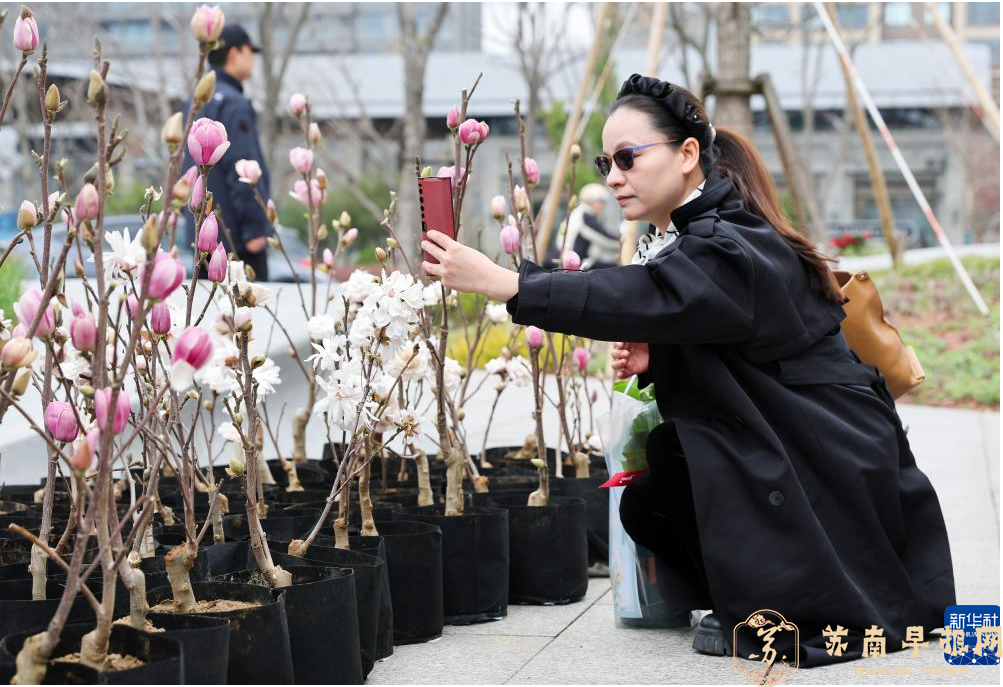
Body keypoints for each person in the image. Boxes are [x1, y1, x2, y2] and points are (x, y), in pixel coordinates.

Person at [420, 74, 956, 668]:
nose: (614, 176)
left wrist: (510, 284)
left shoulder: (730, 243)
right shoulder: (707, 235)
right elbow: (696, 313)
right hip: (812, 439)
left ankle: (785, 607)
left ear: (688, 154)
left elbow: (650, 291)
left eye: (628, 157)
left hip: (828, 456)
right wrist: (663, 353)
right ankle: (742, 593)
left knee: (705, 462)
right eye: (606, 162)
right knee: (655, 491)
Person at [182, 24, 272, 280]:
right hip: (236, 238)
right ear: (235, 53)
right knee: (243, 315)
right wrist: (255, 227)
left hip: (202, 234)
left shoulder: (196, 100)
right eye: (250, 52)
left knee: (206, 315)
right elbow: (243, 168)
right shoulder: (234, 104)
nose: (252, 59)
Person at [563, 183, 620, 270]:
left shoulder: (579, 212)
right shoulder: (585, 215)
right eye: (601, 201)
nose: (603, 206)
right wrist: (624, 242)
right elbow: (605, 239)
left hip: (574, 261)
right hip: (575, 264)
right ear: (592, 201)